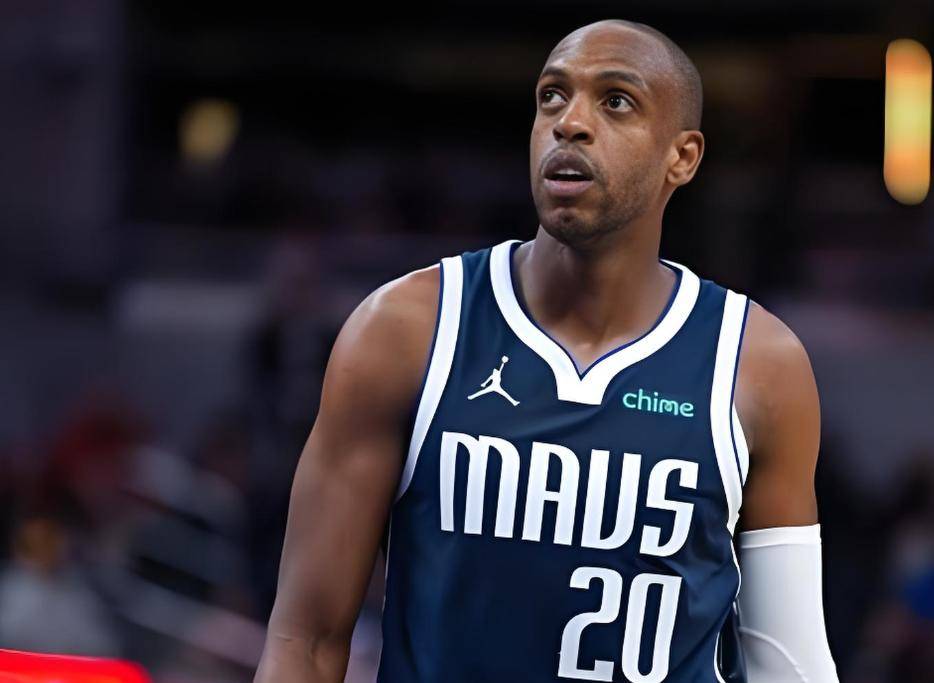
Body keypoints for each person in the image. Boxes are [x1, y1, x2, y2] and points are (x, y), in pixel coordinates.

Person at [254, 18, 839, 682]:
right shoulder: (405, 329)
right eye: (553, 97)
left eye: (615, 101)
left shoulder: (758, 363)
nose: (570, 123)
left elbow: (789, 664)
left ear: (682, 157)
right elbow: (304, 640)